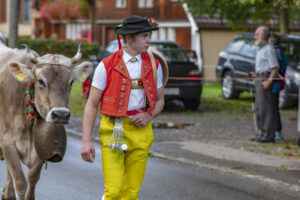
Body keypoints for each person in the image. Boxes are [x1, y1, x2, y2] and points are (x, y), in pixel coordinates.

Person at [81, 15, 165, 200]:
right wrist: (86, 141)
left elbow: (160, 101)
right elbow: (91, 105)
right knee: (114, 191)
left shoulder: (154, 65)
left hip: (141, 132)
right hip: (112, 130)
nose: (149, 40)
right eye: (144, 36)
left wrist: (148, 115)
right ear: (128, 38)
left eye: (149, 35)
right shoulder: (106, 65)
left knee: (131, 193)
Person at [249, 26, 280, 143]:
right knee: (259, 108)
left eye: (256, 34)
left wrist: (269, 80)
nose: (254, 37)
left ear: (263, 36)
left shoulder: (269, 49)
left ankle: (268, 135)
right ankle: (261, 132)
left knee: (266, 108)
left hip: (265, 78)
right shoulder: (260, 49)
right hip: (259, 77)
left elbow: (275, 67)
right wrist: (255, 74)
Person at [268, 33, 288, 141]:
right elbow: (285, 64)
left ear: (272, 42)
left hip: (274, 84)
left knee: (273, 108)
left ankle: (277, 132)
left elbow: (277, 68)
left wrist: (271, 78)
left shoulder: (275, 52)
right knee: (274, 108)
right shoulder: (280, 51)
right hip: (277, 83)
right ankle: (276, 131)